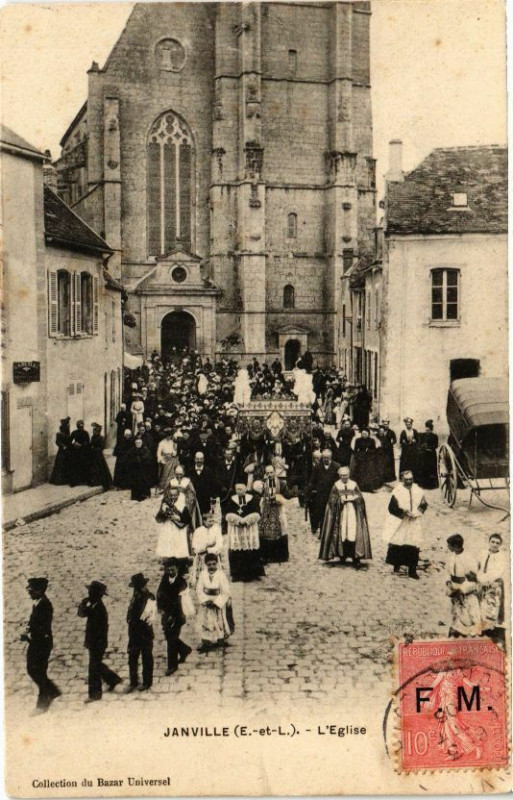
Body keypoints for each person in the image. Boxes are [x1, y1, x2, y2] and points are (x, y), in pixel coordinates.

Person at [21, 577, 61, 714]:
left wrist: (29, 636)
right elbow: (34, 621)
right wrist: (27, 629)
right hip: (37, 642)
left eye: (31, 590)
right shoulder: (38, 602)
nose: (28, 592)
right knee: (34, 670)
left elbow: (43, 628)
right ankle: (52, 691)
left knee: (37, 671)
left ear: (39, 591)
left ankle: (43, 704)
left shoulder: (45, 605)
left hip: (41, 643)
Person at [318, 466, 372, 568]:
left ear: (349, 475)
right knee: (341, 533)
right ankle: (342, 555)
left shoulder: (354, 484)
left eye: (346, 475)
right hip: (341, 513)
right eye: (342, 476)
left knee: (353, 532)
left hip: (352, 512)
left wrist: (355, 499)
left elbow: (360, 498)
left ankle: (355, 557)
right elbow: (331, 499)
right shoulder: (336, 485)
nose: (344, 477)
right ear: (339, 476)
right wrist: (339, 500)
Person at [77, 581, 122, 702]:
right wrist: (84, 605)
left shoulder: (100, 609)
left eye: (91, 591)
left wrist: (88, 607)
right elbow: (80, 613)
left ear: (97, 595)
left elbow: (100, 629)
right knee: (96, 665)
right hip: (92, 640)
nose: (88, 593)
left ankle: (95, 694)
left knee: (93, 668)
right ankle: (113, 680)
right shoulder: (91, 602)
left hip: (98, 643)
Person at [383, 470, 427, 579]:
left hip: (414, 521)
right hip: (401, 522)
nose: (409, 481)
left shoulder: (418, 490)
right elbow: (391, 508)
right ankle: (397, 565)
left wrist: (418, 512)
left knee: (413, 544)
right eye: (406, 479)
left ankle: (412, 570)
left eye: (411, 479)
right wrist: (404, 512)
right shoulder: (397, 491)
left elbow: (424, 504)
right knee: (399, 543)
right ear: (402, 480)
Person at [156, 559, 192, 675]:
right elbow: (159, 593)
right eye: (168, 569)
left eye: (172, 569)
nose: (170, 571)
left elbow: (178, 602)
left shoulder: (181, 583)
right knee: (168, 635)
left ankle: (172, 666)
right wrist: (160, 608)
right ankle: (184, 650)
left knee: (171, 639)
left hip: (177, 615)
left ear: (177, 568)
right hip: (166, 613)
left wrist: (172, 615)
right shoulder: (165, 579)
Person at [226, 483, 265, 582]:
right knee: (236, 551)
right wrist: (238, 520)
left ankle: (253, 574)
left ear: (245, 490)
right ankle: (237, 574)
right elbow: (227, 513)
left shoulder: (252, 499)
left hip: (250, 529)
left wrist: (247, 520)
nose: (239, 491)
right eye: (237, 489)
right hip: (236, 529)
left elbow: (257, 513)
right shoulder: (231, 500)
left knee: (251, 550)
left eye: (241, 489)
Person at [125, 573, 156, 693]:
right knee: (132, 656)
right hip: (133, 632)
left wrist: (134, 621)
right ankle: (133, 681)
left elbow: (148, 617)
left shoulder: (150, 598)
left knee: (146, 656)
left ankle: (147, 682)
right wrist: (129, 618)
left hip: (144, 632)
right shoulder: (136, 595)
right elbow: (131, 609)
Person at [446, 534, 481, 638]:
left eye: (449, 545)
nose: (448, 547)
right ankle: (455, 631)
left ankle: (468, 633)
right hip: (453, 586)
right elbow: (448, 572)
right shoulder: (451, 556)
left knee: (468, 611)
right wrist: (448, 582)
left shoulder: (468, 558)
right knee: (455, 610)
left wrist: (463, 588)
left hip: (465, 587)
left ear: (456, 546)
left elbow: (473, 577)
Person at [196, 553, 232, 652]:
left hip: (217, 601)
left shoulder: (221, 575)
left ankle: (220, 638)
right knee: (206, 621)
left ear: (217, 563)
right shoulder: (203, 575)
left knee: (219, 621)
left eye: (213, 564)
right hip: (207, 601)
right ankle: (206, 640)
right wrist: (205, 600)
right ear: (206, 565)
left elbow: (226, 591)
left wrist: (217, 602)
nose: (211, 566)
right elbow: (199, 589)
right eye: (209, 564)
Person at [155, 486, 192, 572]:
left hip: (179, 530)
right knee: (169, 547)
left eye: (175, 495)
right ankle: (169, 567)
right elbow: (158, 519)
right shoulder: (164, 504)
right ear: (168, 495)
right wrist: (164, 513)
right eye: (171, 495)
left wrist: (178, 518)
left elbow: (187, 520)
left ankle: (182, 567)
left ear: (178, 495)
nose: (173, 497)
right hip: (167, 528)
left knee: (179, 547)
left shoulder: (182, 506)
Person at [477, 533, 506, 646]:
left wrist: (489, 580)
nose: (494, 544)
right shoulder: (482, 553)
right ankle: (483, 630)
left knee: (493, 607)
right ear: (489, 542)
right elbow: (479, 567)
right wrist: (481, 579)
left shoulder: (501, 556)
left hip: (494, 584)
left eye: (497, 543)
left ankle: (491, 633)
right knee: (482, 606)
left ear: (500, 545)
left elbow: (499, 571)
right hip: (483, 583)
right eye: (493, 542)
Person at [258, 465, 289, 563]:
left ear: (275, 472)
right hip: (267, 510)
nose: (270, 475)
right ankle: (267, 555)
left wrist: (278, 498)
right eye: (268, 473)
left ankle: (280, 556)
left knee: (281, 530)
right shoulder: (263, 484)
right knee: (265, 531)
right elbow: (259, 496)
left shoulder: (282, 483)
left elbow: (287, 496)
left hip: (278, 510)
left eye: (271, 472)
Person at [306, 449, 341, 537]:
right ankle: (322, 532)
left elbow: (339, 481)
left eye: (327, 458)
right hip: (320, 495)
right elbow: (312, 480)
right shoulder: (318, 467)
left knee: (332, 513)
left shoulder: (336, 466)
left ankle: (332, 533)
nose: (326, 459)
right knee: (321, 513)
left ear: (331, 457)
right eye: (324, 457)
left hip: (332, 494)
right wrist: (308, 490)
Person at [191, 513, 225, 587]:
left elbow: (219, 543)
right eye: (209, 521)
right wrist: (204, 547)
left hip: (213, 554)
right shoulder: (198, 531)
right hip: (201, 555)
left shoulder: (216, 530)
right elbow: (195, 545)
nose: (212, 523)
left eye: (213, 521)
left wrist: (210, 549)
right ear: (204, 521)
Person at [188, 452, 219, 518]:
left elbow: (212, 486)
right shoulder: (190, 471)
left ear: (203, 459)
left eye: (201, 459)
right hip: (193, 500)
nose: (199, 461)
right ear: (194, 459)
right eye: (197, 459)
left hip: (205, 501)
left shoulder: (209, 471)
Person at [351, 427, 378, 492]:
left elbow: (374, 450)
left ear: (368, 434)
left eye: (365, 434)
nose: (364, 435)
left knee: (368, 473)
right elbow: (355, 450)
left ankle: (369, 488)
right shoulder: (358, 440)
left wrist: (368, 451)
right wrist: (357, 456)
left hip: (368, 459)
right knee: (360, 472)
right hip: (360, 458)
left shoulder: (372, 441)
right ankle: (360, 488)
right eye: (363, 434)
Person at [88, 423, 112, 489]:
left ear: (98, 431)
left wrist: (95, 449)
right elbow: (91, 444)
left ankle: (99, 481)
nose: (94, 432)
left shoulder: (101, 438)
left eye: (95, 431)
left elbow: (102, 447)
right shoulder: (93, 437)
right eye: (94, 431)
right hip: (93, 455)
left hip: (98, 455)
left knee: (100, 468)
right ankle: (94, 481)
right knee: (93, 468)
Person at [49, 417, 72, 485]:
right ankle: (58, 481)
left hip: (68, 451)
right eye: (68, 425)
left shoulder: (68, 434)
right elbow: (57, 441)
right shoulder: (59, 434)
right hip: (62, 452)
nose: (69, 426)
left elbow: (69, 441)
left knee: (67, 465)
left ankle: (66, 480)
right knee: (60, 465)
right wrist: (63, 446)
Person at [156, 429, 180, 494]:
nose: (169, 437)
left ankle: (172, 486)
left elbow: (174, 450)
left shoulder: (172, 442)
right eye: (168, 436)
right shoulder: (161, 443)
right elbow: (158, 452)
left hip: (172, 458)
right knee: (165, 474)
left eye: (170, 436)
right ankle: (163, 487)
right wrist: (161, 459)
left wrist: (174, 452)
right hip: (165, 459)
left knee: (174, 472)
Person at [417, 419, 439, 489]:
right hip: (424, 455)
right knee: (424, 468)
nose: (427, 432)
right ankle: (424, 485)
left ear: (431, 430)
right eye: (426, 430)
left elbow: (436, 445)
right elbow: (420, 443)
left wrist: (430, 448)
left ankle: (432, 485)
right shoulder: (422, 435)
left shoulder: (434, 436)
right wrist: (423, 447)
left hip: (431, 455)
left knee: (431, 469)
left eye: (428, 430)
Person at [69, 419, 91, 486]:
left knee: (84, 466)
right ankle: (75, 481)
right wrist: (74, 444)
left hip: (84, 452)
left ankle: (84, 480)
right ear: (77, 426)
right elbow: (69, 441)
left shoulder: (86, 433)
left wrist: (82, 445)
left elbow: (88, 442)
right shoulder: (74, 433)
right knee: (75, 466)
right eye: (79, 427)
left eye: (82, 426)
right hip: (76, 452)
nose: (81, 428)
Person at [378, 418, 397, 483]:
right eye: (384, 424)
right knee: (383, 462)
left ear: (388, 424)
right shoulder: (380, 431)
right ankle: (383, 477)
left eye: (386, 424)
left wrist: (392, 441)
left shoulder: (391, 432)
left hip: (389, 450)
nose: (385, 425)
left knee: (389, 463)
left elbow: (395, 440)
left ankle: (390, 477)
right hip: (382, 450)